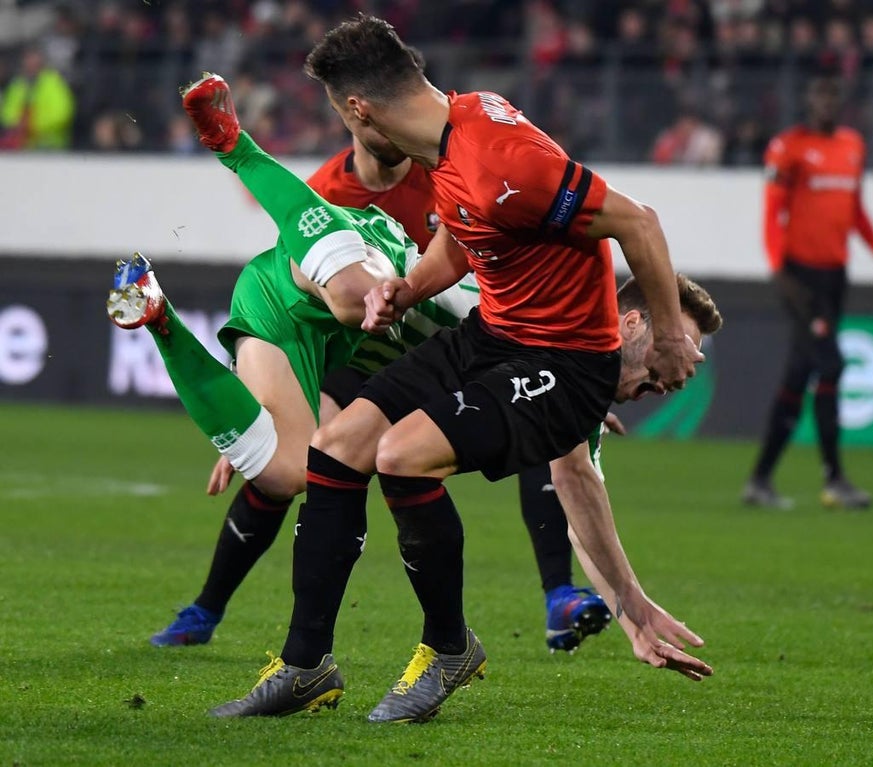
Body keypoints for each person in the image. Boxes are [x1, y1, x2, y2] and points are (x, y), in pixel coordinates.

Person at [208, 14, 714, 722]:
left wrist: (664, 335)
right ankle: (304, 665)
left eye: (342, 117)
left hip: (563, 362)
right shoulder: (454, 132)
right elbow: (462, 237)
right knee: (336, 447)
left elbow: (640, 223)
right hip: (492, 332)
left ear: (359, 110)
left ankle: (448, 647)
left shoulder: (503, 158)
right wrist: (405, 288)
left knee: (401, 455)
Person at [147, 125, 614, 655]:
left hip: (416, 343)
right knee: (345, 334)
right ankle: (210, 606)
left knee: (283, 468)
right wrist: (270, 401)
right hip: (359, 333)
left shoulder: (444, 172)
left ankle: (557, 594)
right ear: (355, 115)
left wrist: (248, 421)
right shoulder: (334, 188)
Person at [743, 71, 873, 511]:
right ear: (809, 101)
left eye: (832, 96)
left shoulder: (852, 147)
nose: (825, 104)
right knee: (829, 365)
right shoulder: (789, 148)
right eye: (819, 95)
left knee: (800, 375)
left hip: (836, 276)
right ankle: (834, 479)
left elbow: (855, 213)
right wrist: (779, 271)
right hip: (801, 279)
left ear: (841, 103)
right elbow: (772, 211)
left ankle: (759, 480)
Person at [0, 46, 75, 150]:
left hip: (51, 146)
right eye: (28, 59)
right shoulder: (17, 84)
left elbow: (62, 113)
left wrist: (33, 124)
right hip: (21, 146)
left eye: (34, 58)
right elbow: (6, 112)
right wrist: (18, 123)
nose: (31, 63)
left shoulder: (53, 82)